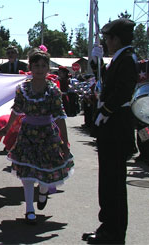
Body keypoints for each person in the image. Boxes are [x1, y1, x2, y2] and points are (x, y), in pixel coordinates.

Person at [0, 48, 73, 225]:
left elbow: (60, 116)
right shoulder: (22, 88)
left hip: (47, 134)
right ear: (30, 67)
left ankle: (44, 191)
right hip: (27, 134)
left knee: (45, 170)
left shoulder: (53, 90)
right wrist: (7, 128)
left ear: (48, 68)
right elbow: (16, 111)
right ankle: (29, 209)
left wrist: (64, 141)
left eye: (43, 66)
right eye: (36, 65)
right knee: (28, 173)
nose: (39, 69)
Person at [82, 18, 137, 244]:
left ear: (117, 38)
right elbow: (106, 81)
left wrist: (106, 110)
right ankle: (107, 227)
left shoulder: (127, 59)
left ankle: (113, 233)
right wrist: (96, 64)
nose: (106, 42)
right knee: (108, 180)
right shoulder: (120, 58)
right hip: (111, 126)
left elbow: (123, 90)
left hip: (116, 125)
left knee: (113, 183)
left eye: (107, 38)